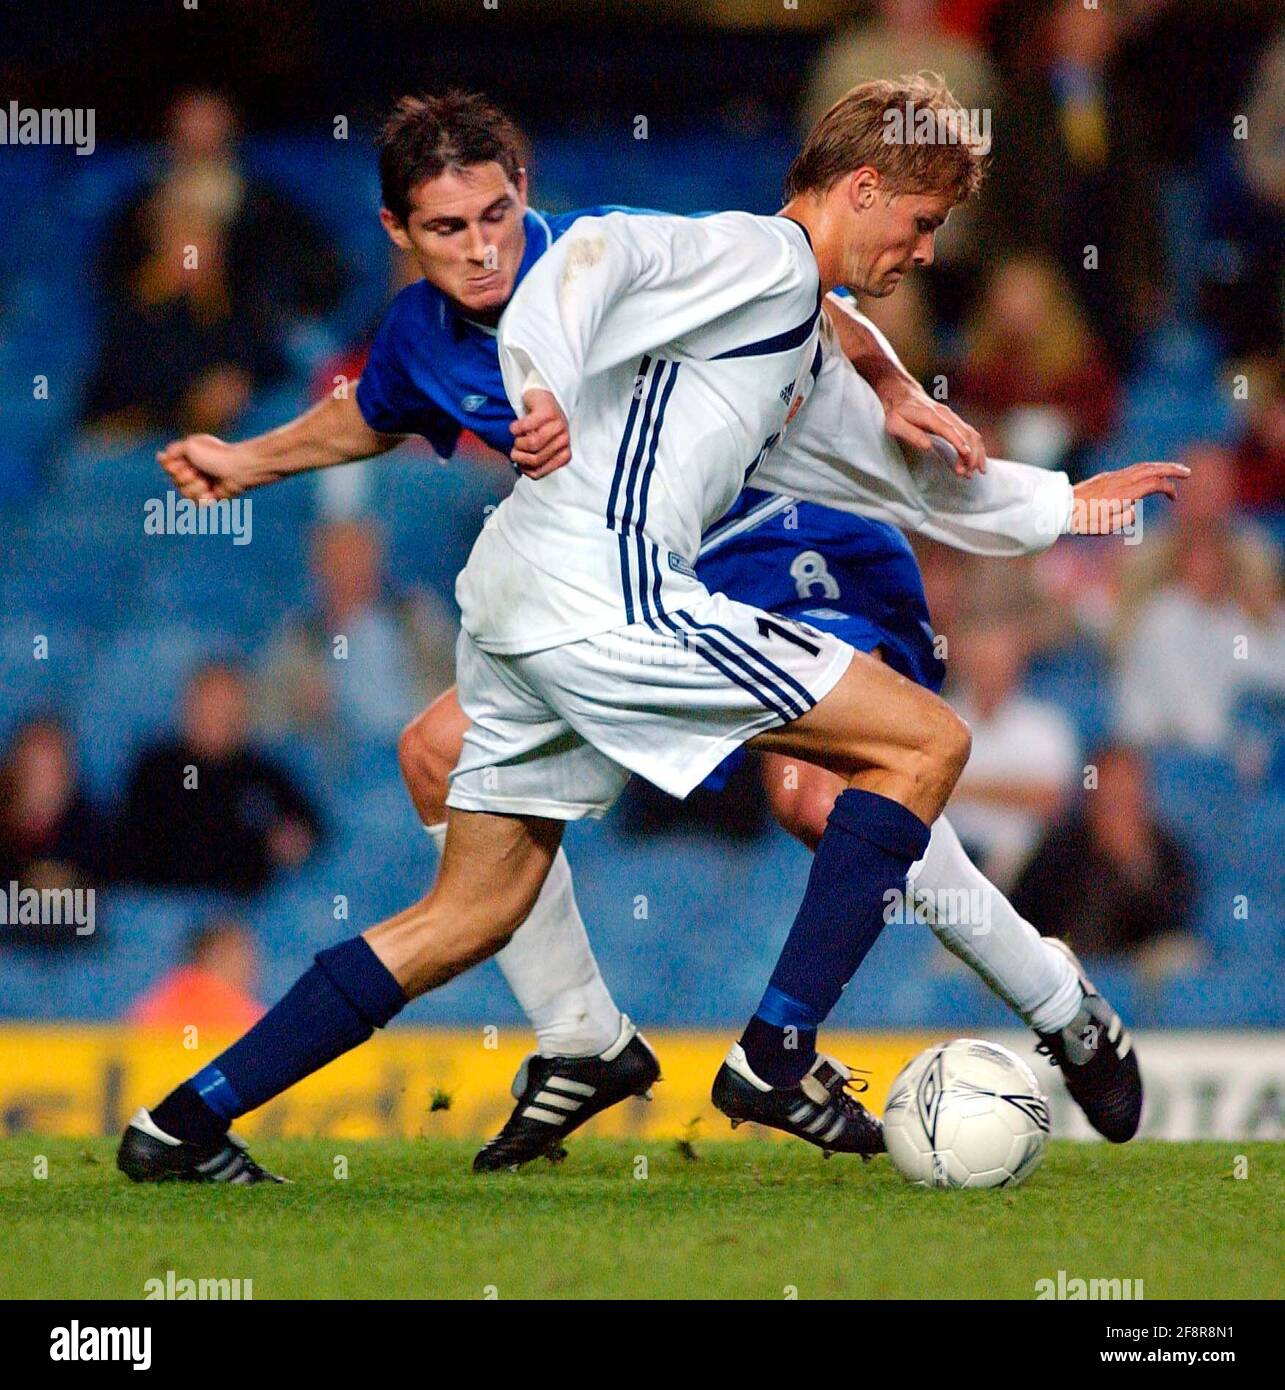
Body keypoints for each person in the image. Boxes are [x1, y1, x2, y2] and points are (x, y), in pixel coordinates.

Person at [117, 78, 1181, 1185]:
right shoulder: (751, 259)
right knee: (924, 742)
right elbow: (589, 263)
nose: (923, 251)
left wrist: (1061, 504)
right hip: (607, 592)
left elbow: (904, 476)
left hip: (523, 594)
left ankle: (182, 1125)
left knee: (468, 911)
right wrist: (536, 390)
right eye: (918, 224)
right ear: (864, 189)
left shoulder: (784, 330)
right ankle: (775, 1053)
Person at [114, 662, 322, 894]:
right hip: (165, 902)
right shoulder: (155, 768)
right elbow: (136, 846)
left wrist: (295, 842)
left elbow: (309, 832)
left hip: (245, 908)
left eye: (227, 707)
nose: (217, 716)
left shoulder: (264, 774)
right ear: (188, 708)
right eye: (209, 704)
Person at [1010, 745, 1200, 982]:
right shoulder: (1060, 845)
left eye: (1127, 784)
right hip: (1061, 964)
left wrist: (1136, 867)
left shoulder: (1166, 849)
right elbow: (1023, 908)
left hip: (1138, 967)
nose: (1118, 795)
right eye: (1110, 784)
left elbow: (1177, 920)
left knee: (1180, 957)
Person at [128, 918, 264, 1032]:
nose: (252, 966)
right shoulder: (239, 1014)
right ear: (216, 956)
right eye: (239, 955)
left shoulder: (154, 1004)